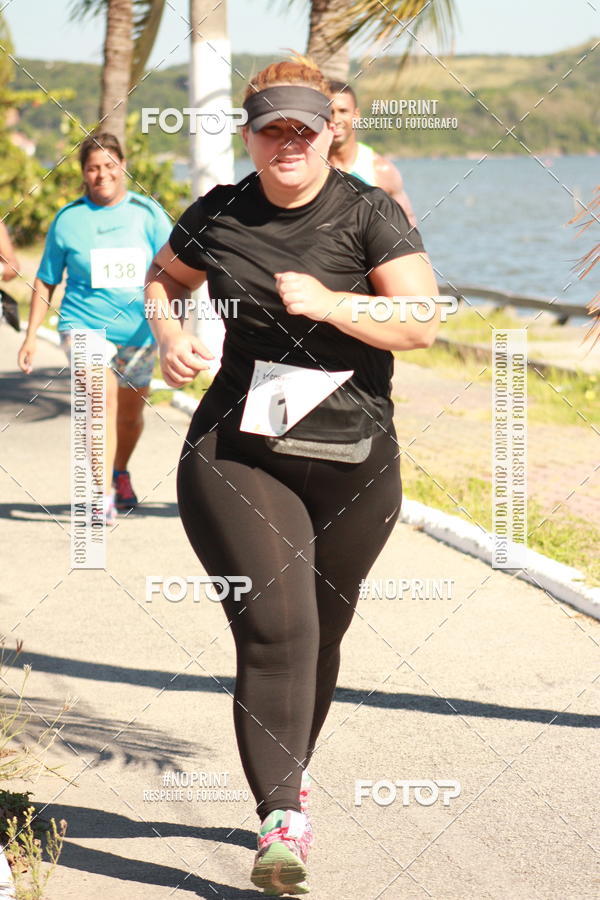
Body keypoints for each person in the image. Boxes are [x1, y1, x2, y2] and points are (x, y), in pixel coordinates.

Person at [145, 55, 440, 896]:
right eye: (271, 129)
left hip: (353, 458)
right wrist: (168, 335)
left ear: (326, 133)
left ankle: (290, 776)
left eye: (302, 130)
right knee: (277, 629)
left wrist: (335, 304)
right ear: (252, 134)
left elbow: (421, 319)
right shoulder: (221, 211)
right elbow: (164, 281)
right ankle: (281, 821)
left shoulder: (368, 213)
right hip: (238, 450)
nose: (287, 143)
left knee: (321, 634)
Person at [18, 132, 172, 523]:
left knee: (130, 415)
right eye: (92, 168)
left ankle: (120, 472)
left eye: (108, 165)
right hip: (83, 324)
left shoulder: (148, 214)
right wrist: (32, 335)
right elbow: (47, 278)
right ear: (83, 174)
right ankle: (100, 494)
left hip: (140, 332)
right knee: (100, 401)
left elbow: (174, 273)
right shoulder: (69, 219)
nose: (101, 174)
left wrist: (175, 332)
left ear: (122, 166)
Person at [327, 80, 418, 228]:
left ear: (356, 115)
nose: (336, 119)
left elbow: (407, 228)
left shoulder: (381, 170)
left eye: (343, 111)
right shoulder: (310, 165)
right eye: (330, 112)